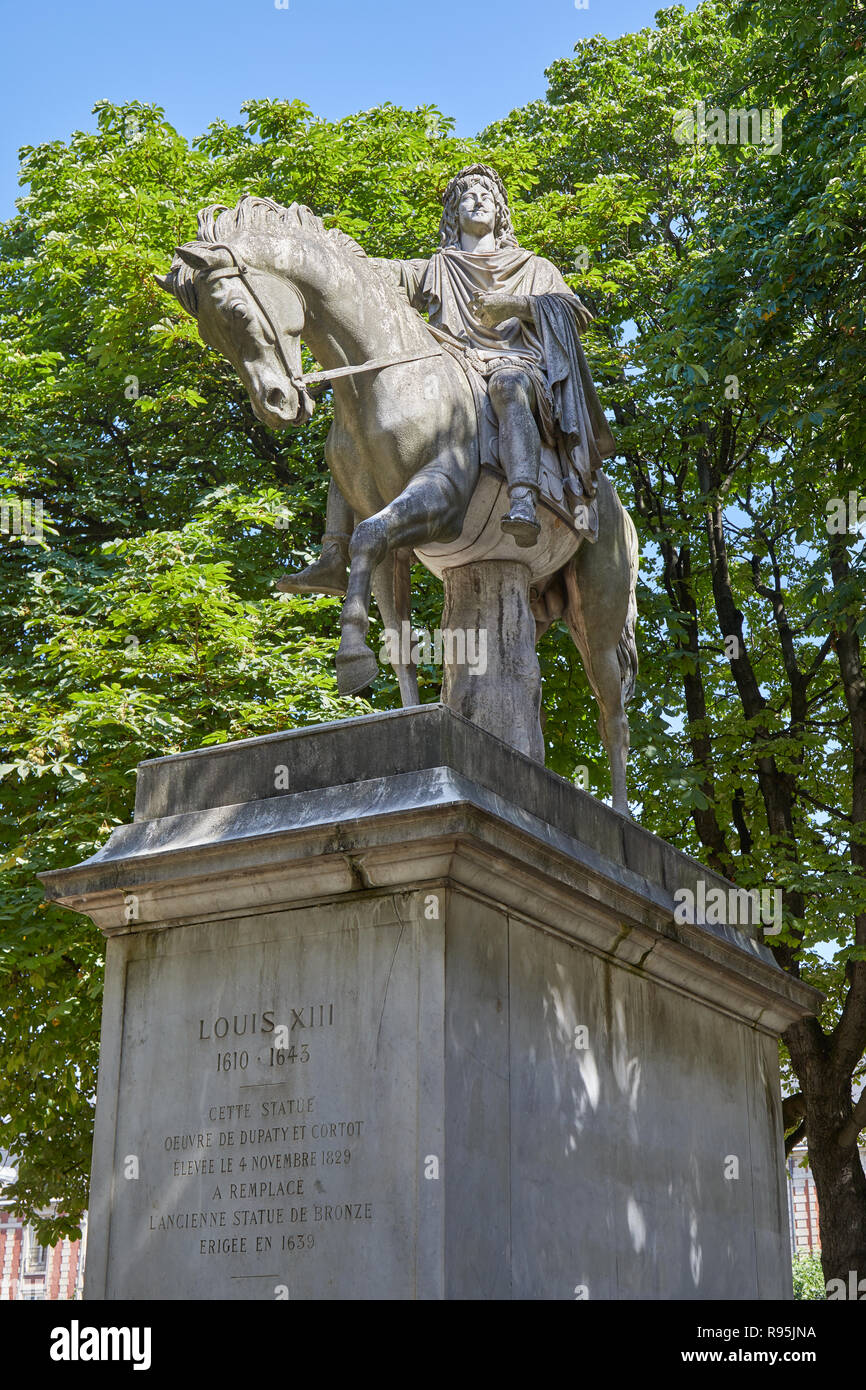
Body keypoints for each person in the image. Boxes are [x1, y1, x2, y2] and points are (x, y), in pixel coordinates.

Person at [278, 164, 614, 592]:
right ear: (454, 214)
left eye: (487, 196)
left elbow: (574, 312)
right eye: (467, 197)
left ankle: (524, 499)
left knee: (506, 385)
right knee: (358, 422)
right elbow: (368, 278)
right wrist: (317, 256)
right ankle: (332, 555)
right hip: (453, 371)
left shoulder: (534, 266)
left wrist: (513, 305)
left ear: (500, 212)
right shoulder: (436, 267)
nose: (477, 200)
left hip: (516, 366)